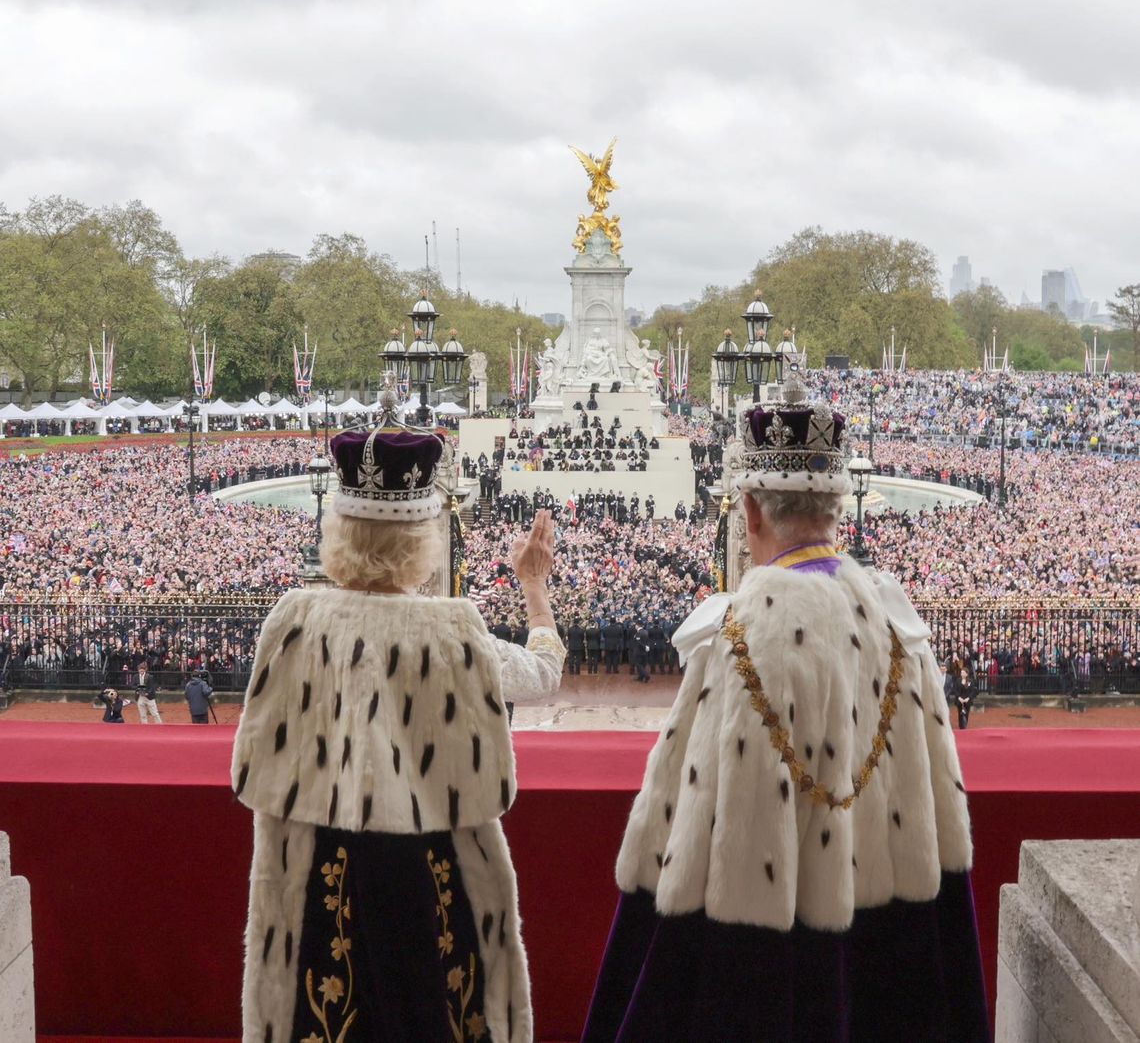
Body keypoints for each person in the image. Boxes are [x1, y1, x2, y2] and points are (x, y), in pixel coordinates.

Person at [582, 376, 987, 1042]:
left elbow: (706, 829)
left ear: (750, 511)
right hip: (888, 945)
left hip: (767, 954)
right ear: (837, 508)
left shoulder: (741, 634)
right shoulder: (897, 625)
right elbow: (940, 820)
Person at [231, 426, 565, 1043]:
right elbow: (543, 673)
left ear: (339, 533)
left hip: (316, 871)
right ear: (423, 540)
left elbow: (253, 766)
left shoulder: (292, 621)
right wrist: (534, 589)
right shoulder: (454, 632)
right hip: (430, 871)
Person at [134, 660, 163, 724]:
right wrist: (137, 691)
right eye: (140, 670)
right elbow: (133, 685)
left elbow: (152, 687)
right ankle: (145, 727)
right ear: (138, 670)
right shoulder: (136, 676)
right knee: (142, 715)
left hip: (149, 697)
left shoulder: (150, 677)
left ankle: (160, 726)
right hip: (140, 697)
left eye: (142, 670)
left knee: (155, 713)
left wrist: (147, 693)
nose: (141, 671)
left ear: (145, 670)